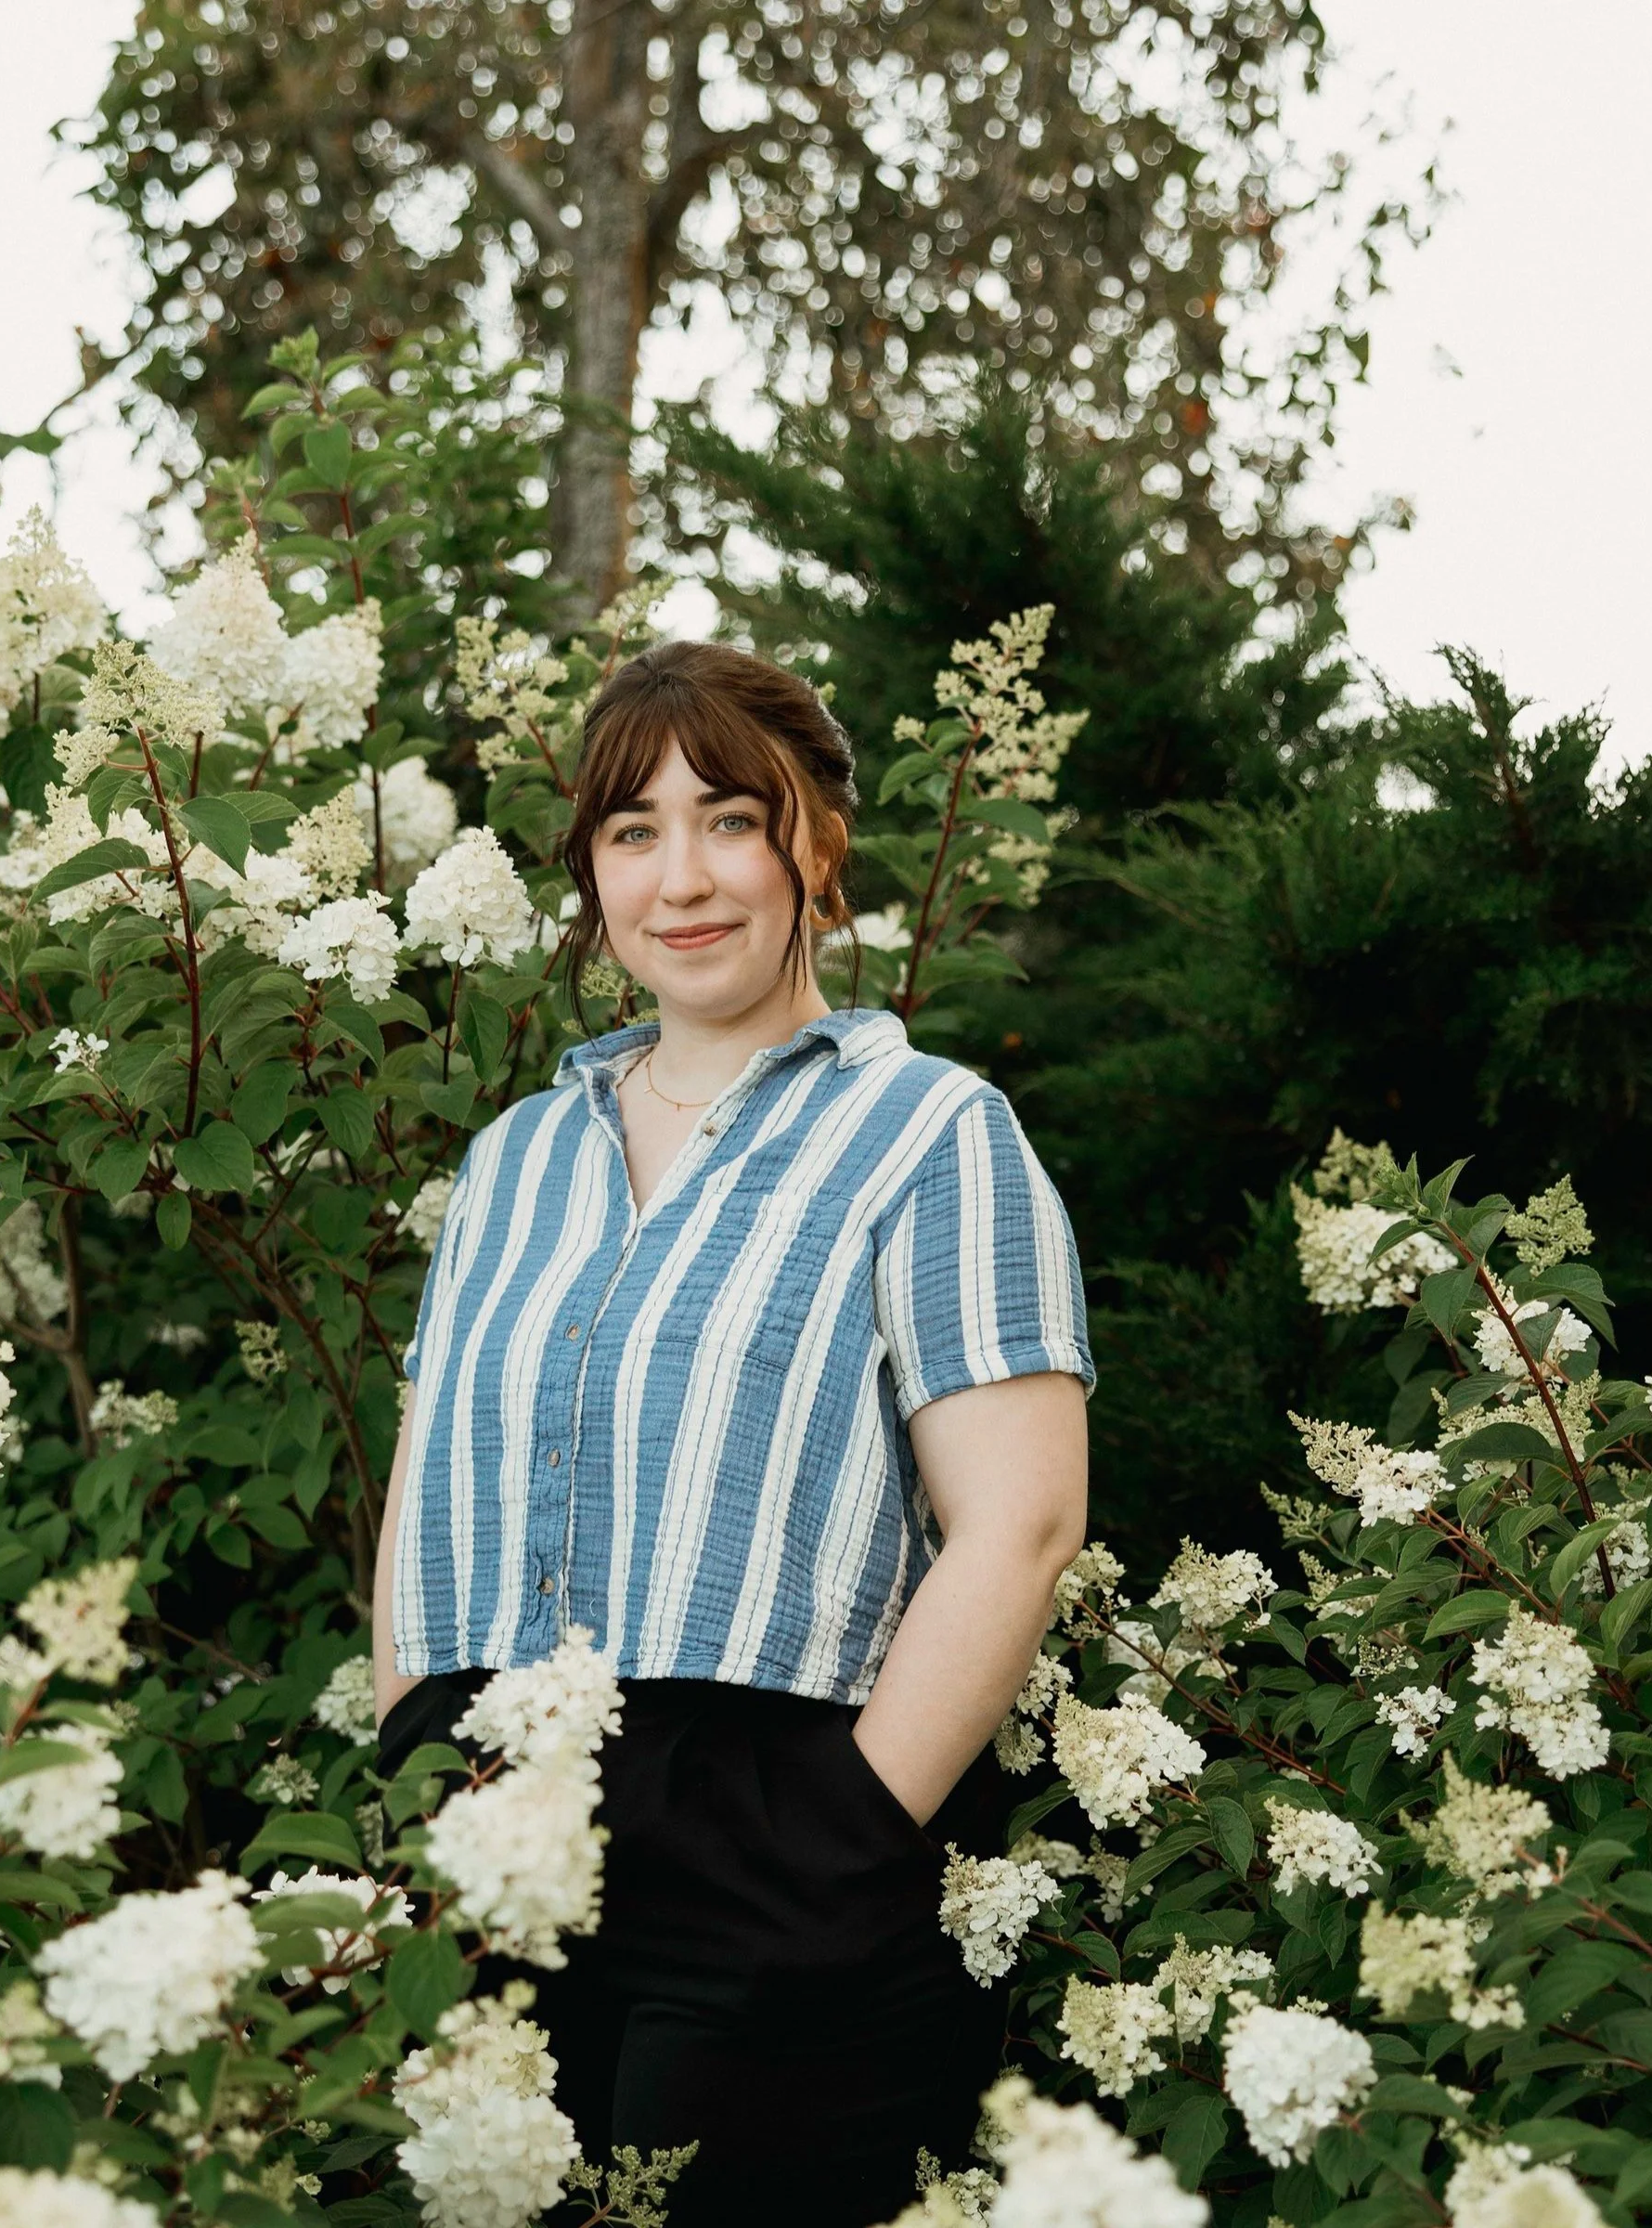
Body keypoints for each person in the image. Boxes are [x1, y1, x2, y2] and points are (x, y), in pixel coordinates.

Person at [369, 640, 1095, 2227]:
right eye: (634, 831)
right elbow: (433, 1480)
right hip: (495, 1851)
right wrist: (415, 1753)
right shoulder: (513, 1159)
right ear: (593, 876)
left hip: (773, 1838)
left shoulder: (934, 1134)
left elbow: (1022, 1524)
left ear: (815, 844)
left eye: (727, 821)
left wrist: (836, 1839)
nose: (680, 879)